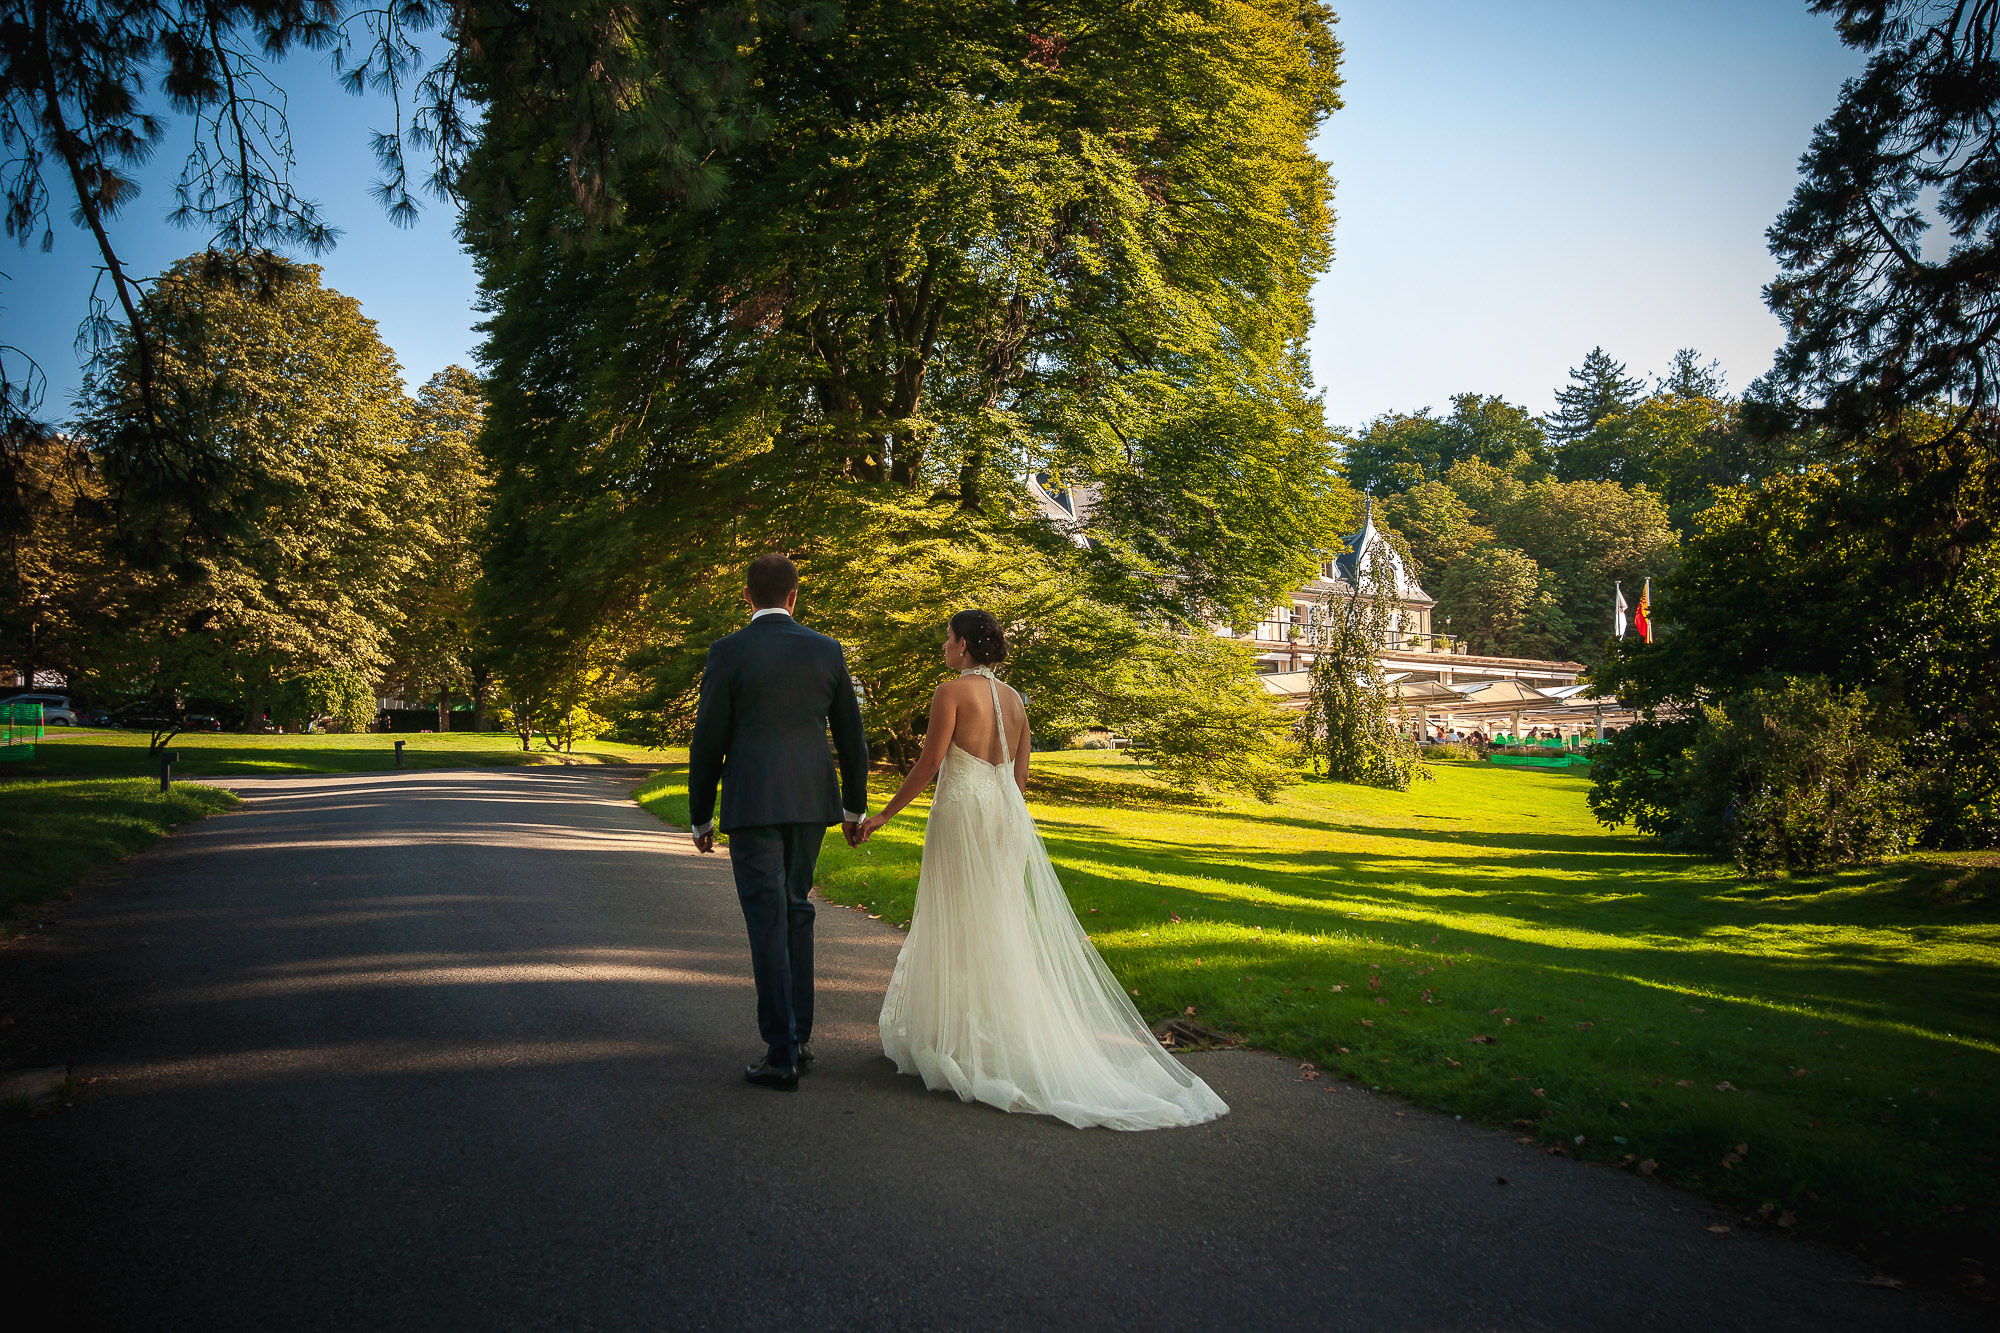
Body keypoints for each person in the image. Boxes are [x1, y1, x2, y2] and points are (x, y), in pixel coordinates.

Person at [858, 610, 1228, 1130]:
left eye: (947, 639)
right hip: (1005, 816)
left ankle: (957, 1037)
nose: (944, 647)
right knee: (997, 920)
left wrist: (882, 815)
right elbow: (1020, 778)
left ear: (964, 646)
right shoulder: (1015, 702)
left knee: (957, 916)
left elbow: (928, 763)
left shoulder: (950, 693)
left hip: (962, 813)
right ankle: (990, 1032)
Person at [688, 553, 870, 1092]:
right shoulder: (827, 650)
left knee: (768, 919)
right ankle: (800, 1039)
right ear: (794, 596)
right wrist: (853, 808)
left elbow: (708, 741)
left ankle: (781, 1051)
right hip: (812, 803)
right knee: (796, 911)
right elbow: (852, 738)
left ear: (747, 596)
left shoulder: (728, 652)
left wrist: (701, 815)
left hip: (752, 803)